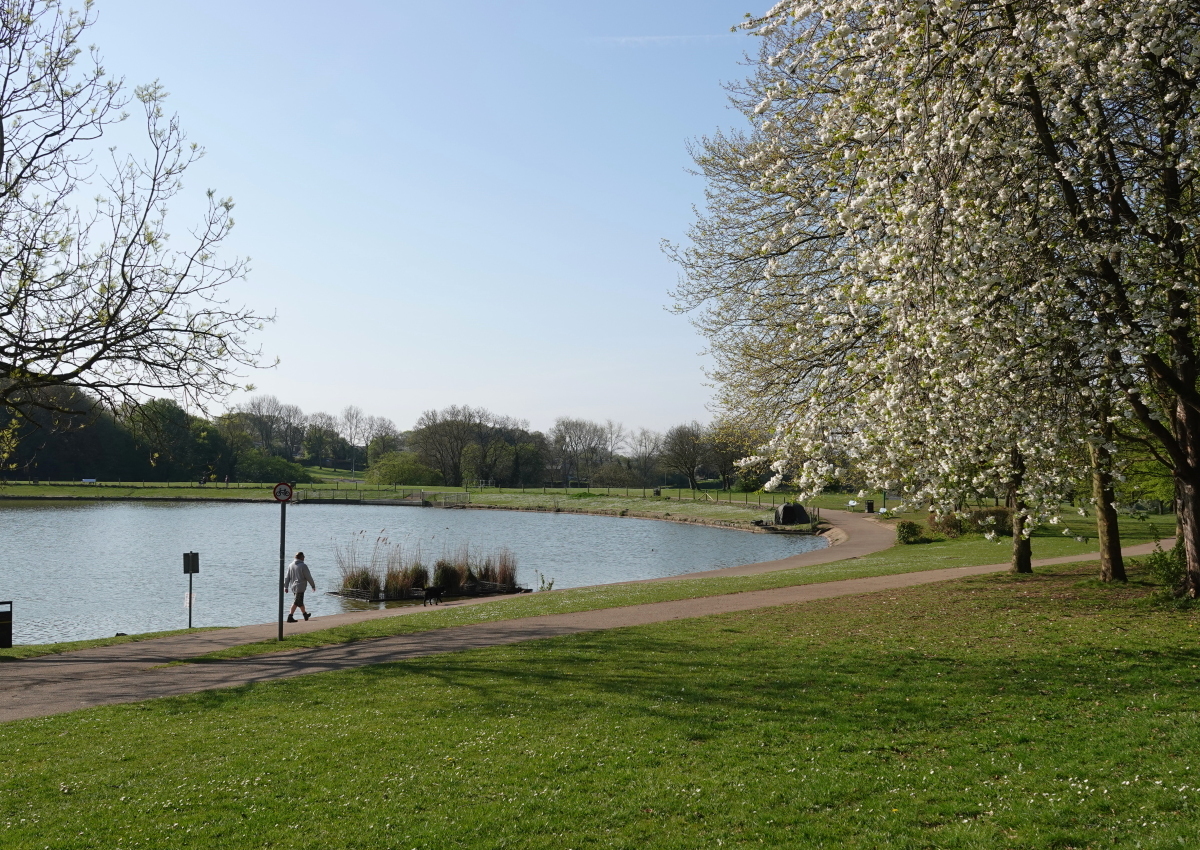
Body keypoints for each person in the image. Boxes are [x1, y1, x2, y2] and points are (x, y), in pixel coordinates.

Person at [284, 551, 316, 623]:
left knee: (299, 601)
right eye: (303, 556)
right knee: (296, 602)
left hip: (293, 587)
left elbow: (287, 577)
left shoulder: (291, 565)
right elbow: (308, 576)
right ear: (301, 557)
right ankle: (290, 616)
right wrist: (313, 585)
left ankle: (305, 615)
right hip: (300, 587)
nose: (304, 558)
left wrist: (286, 587)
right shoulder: (303, 566)